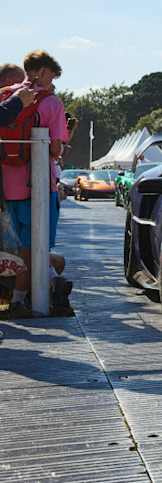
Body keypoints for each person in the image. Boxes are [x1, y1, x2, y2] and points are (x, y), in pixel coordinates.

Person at [3, 51, 67, 315]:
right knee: (35, 248)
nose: (52, 82)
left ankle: (25, 295)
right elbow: (55, 148)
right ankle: (21, 300)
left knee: (13, 247)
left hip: (6, 187)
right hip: (37, 187)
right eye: (51, 76)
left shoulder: (6, 95)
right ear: (42, 72)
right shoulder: (52, 103)